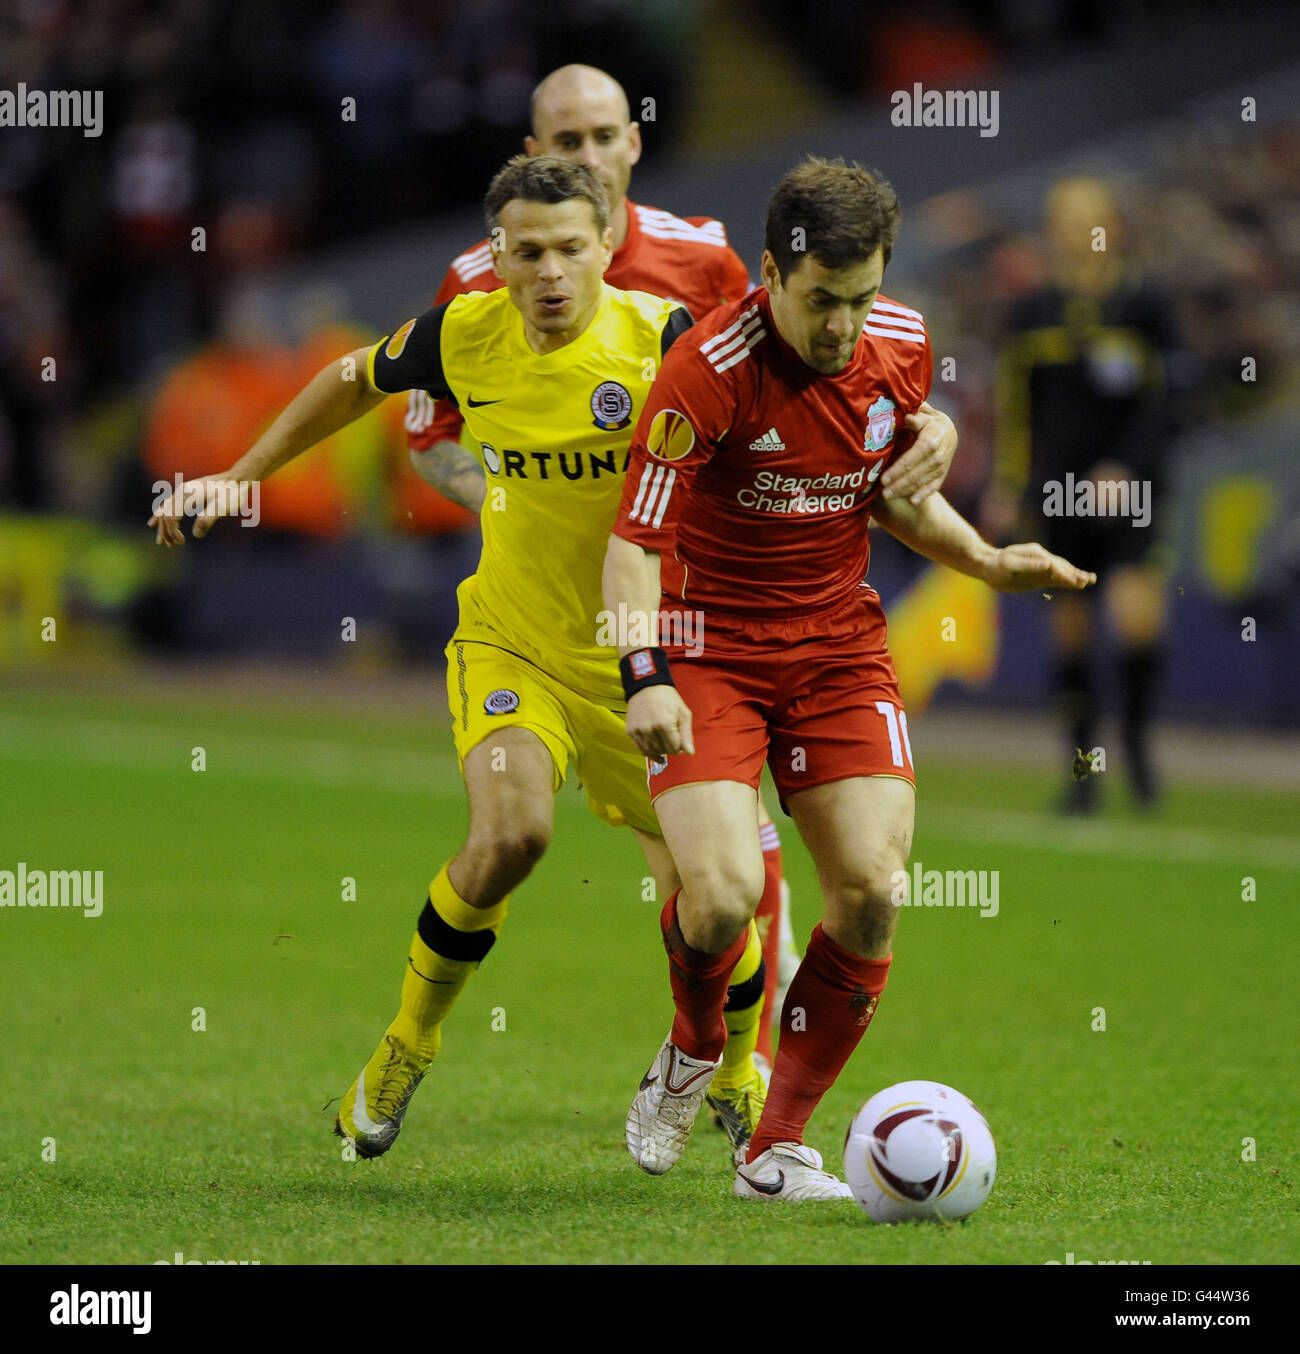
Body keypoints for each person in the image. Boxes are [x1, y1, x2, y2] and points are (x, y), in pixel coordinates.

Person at [148, 154, 962, 1168]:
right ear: (494, 255)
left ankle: (738, 1069)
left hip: (653, 658)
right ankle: (407, 1041)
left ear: (605, 247)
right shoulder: (461, 334)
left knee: (718, 900)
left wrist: (931, 421)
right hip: (513, 640)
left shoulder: (667, 343)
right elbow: (351, 379)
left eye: (570, 248)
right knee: (511, 836)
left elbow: (819, 390)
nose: (549, 271)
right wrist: (238, 477)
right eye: (525, 250)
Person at [603, 156, 1095, 1200]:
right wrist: (641, 672)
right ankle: (694, 1044)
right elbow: (634, 540)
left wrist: (985, 560)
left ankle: (773, 1147)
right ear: (772, 274)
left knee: (871, 890)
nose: (841, 325)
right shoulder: (706, 367)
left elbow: (888, 493)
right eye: (822, 300)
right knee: (723, 899)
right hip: (704, 647)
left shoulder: (901, 346)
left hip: (834, 646)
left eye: (862, 296)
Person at [988, 176, 1186, 811]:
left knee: (1135, 622)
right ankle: (1083, 773)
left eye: (1089, 219)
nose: (1078, 231)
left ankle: (1136, 748)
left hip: (1134, 492)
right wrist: (1008, 484)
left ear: (1112, 227)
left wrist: (1127, 467)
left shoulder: (1146, 305)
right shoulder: (1032, 312)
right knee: (1070, 636)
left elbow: (1174, 397)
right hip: (1059, 493)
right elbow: (1016, 407)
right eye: (1066, 219)